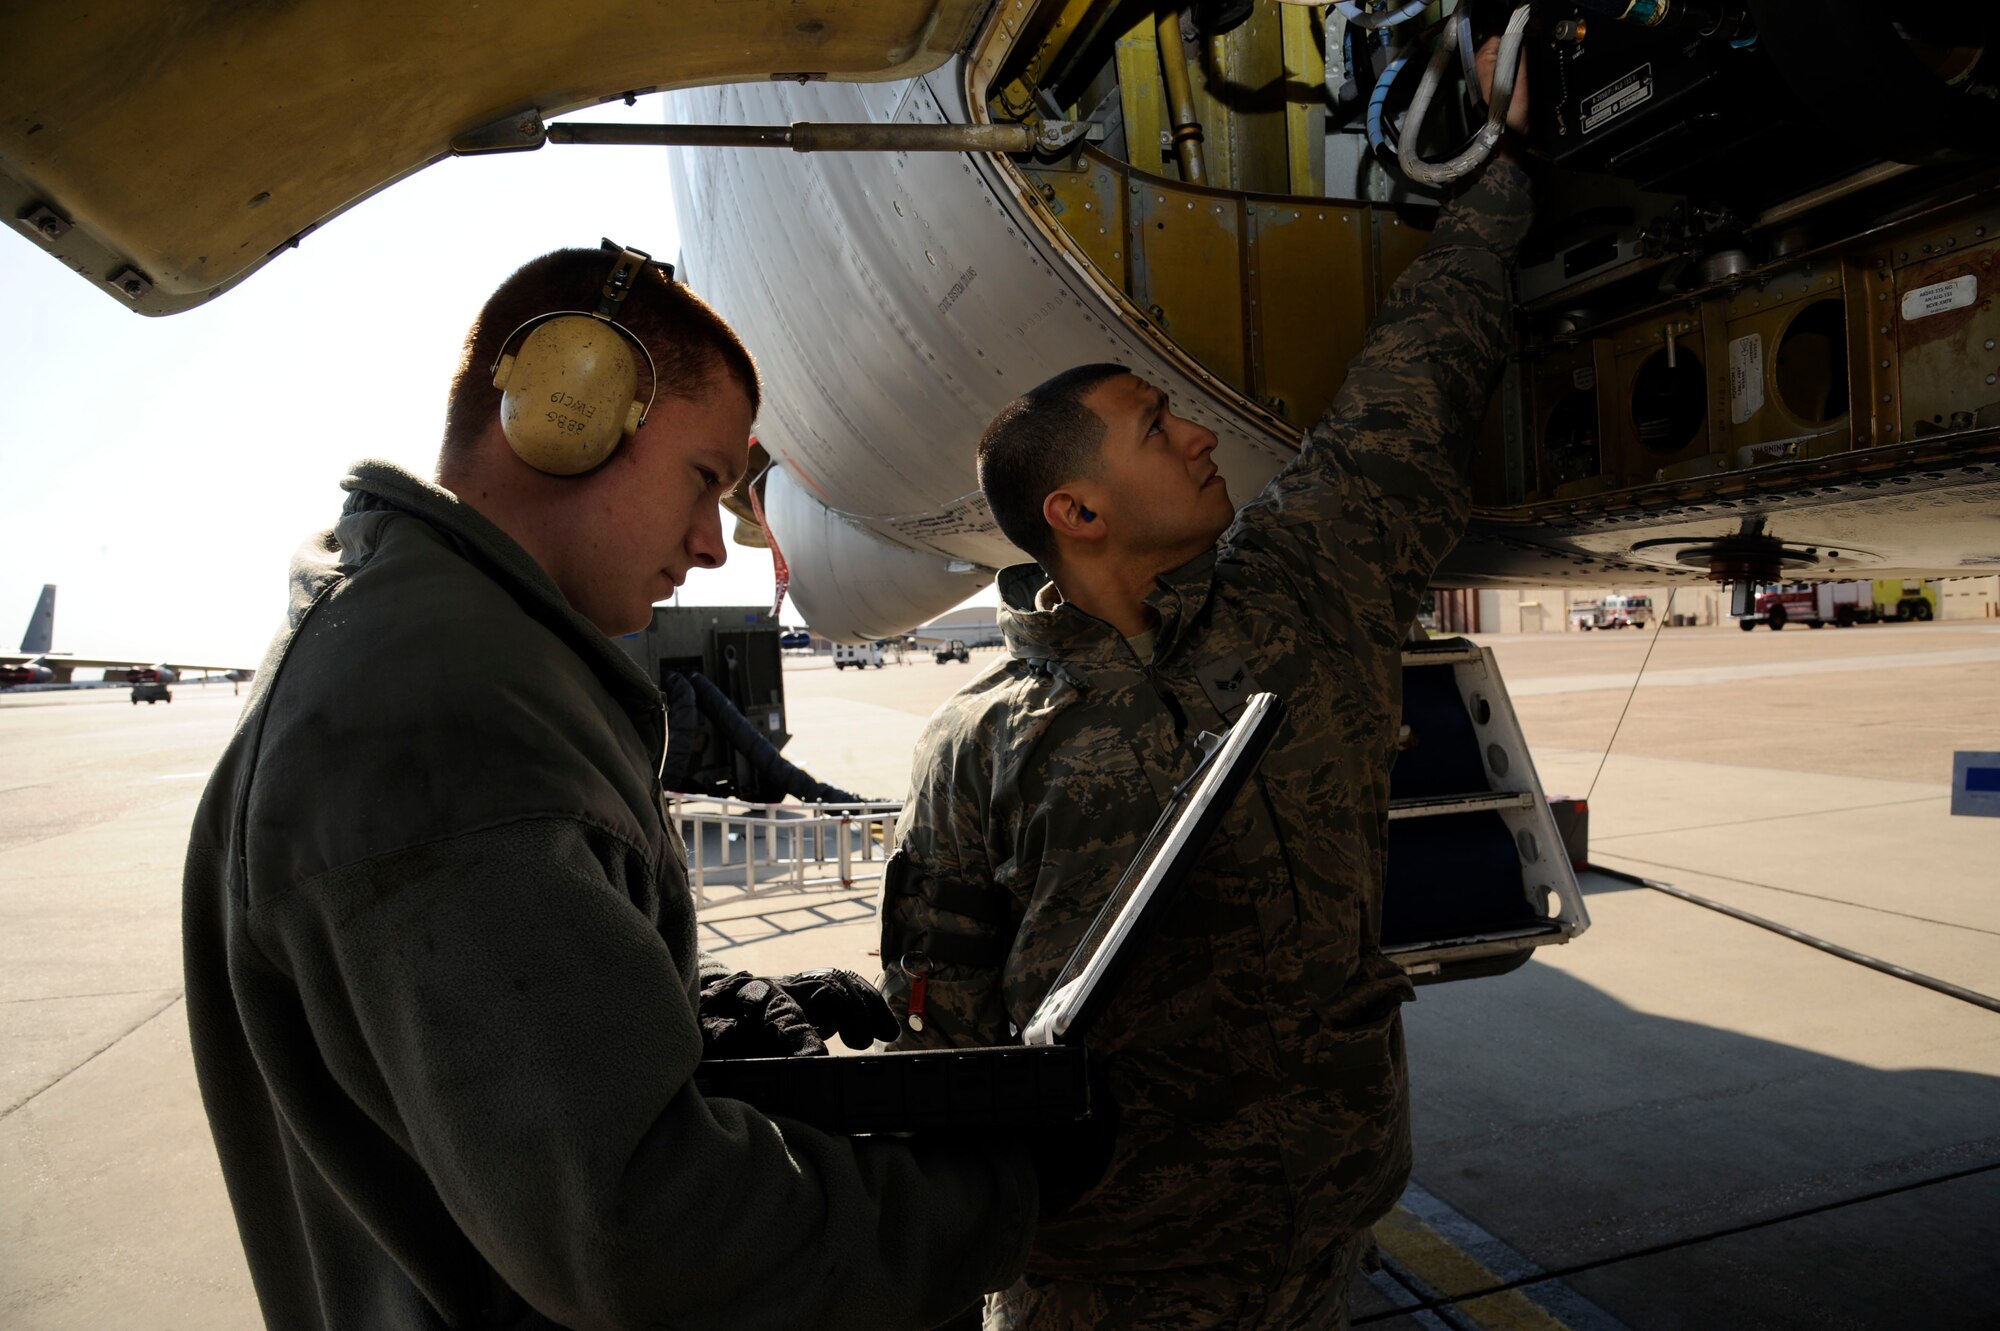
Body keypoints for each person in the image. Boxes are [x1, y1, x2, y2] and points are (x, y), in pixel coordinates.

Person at [182, 246, 1038, 1330]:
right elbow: (644, 1233)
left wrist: (677, 1009)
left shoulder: (406, 633)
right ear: (566, 409)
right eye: (702, 481)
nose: (707, 546)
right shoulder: (451, 716)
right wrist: (1002, 1194)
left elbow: (469, 1055)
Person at [877, 45, 1534, 1331]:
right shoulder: (981, 748)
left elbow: (1416, 373)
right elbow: (941, 1052)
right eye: (1152, 426)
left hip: (1319, 1241)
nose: (1194, 433)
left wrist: (1499, 182)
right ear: (1075, 509)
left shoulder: (1303, 588)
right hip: (1100, 1280)